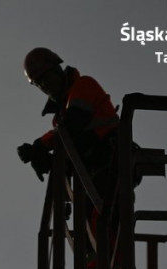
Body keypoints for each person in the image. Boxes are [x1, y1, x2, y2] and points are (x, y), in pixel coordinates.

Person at [17, 47, 120, 198]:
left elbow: (73, 126)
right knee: (93, 212)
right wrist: (49, 161)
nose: (44, 85)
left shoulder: (83, 85)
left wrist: (39, 146)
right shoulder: (59, 117)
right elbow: (72, 147)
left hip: (111, 156)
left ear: (57, 70)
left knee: (105, 210)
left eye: (46, 77)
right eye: (39, 83)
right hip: (93, 169)